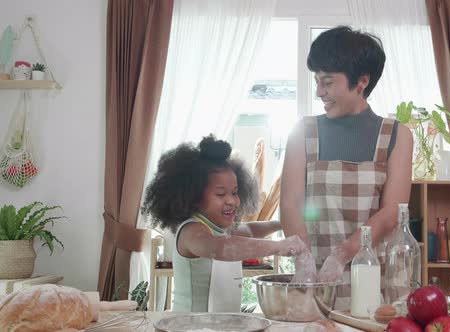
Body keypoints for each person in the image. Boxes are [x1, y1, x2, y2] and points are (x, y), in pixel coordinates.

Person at [280, 26, 413, 309]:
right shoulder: (302, 132)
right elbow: (291, 205)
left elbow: (392, 212)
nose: (319, 92)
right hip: (315, 277)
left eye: (327, 82)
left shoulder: (397, 136)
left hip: (375, 275)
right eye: (316, 81)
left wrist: (342, 254)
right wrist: (305, 263)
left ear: (362, 81)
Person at [143, 134, 306, 313]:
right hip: (190, 327)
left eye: (235, 192)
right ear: (194, 196)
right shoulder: (191, 231)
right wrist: (278, 247)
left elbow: (250, 230)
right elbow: (220, 248)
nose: (231, 201)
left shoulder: (220, 230)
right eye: (221, 194)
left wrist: (283, 222)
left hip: (222, 324)